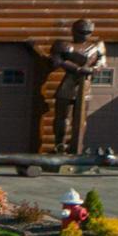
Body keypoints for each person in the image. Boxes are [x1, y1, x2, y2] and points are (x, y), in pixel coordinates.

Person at [49, 19, 107, 154]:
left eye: (88, 32)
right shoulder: (64, 45)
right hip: (68, 84)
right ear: (74, 31)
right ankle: (59, 144)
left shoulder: (97, 46)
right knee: (62, 118)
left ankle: (77, 145)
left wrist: (93, 70)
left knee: (81, 119)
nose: (85, 35)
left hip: (85, 85)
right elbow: (57, 60)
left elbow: (102, 62)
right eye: (82, 32)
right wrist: (76, 69)